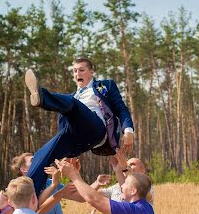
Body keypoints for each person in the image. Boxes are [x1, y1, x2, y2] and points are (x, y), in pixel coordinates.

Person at [24, 56, 134, 195]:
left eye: (81, 70)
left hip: (96, 129)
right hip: (75, 137)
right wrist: (67, 151)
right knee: (42, 155)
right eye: (75, 71)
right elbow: (64, 128)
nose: (77, 74)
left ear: (91, 72)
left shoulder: (105, 86)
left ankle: (41, 97)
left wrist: (128, 131)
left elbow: (121, 108)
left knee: (72, 104)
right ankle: (27, 194)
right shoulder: (69, 99)